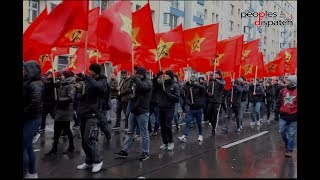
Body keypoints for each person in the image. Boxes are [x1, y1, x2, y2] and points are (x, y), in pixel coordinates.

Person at [114, 67, 152, 160]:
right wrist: (131, 85)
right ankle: (125, 150)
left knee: (144, 133)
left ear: (141, 74)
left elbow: (144, 87)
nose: (136, 75)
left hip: (142, 111)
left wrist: (135, 79)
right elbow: (130, 91)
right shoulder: (135, 82)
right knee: (130, 131)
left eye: (137, 74)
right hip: (133, 110)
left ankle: (145, 152)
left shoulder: (148, 82)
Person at [77, 63, 107, 173]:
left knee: (90, 139)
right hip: (84, 113)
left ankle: (98, 161)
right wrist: (80, 95)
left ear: (96, 71)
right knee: (84, 141)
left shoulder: (102, 82)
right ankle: (89, 161)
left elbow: (98, 87)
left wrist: (88, 78)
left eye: (91, 71)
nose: (89, 72)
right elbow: (88, 94)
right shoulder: (89, 81)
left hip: (94, 114)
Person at [45, 70, 76, 156]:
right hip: (59, 110)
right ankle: (54, 148)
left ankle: (71, 146)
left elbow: (71, 98)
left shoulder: (70, 85)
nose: (61, 76)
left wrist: (59, 100)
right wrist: (53, 84)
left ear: (66, 76)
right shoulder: (62, 84)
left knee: (66, 129)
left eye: (63, 75)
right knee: (56, 130)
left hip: (66, 110)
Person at [23, 61, 43, 178]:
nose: (23, 71)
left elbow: (35, 104)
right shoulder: (28, 82)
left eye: (25, 69)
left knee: (23, 147)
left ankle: (25, 173)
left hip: (32, 119)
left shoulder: (35, 84)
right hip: (28, 118)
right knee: (28, 146)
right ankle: (31, 173)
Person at [156, 70, 180, 151]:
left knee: (167, 126)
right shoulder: (162, 84)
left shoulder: (175, 85)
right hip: (161, 107)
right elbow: (154, 85)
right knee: (162, 126)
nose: (164, 76)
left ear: (170, 76)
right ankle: (165, 142)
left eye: (166, 75)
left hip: (170, 108)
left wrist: (169, 95)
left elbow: (177, 98)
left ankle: (171, 142)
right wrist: (157, 76)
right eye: (164, 75)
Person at [178, 75, 205, 142]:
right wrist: (190, 103)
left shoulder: (200, 88)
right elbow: (186, 98)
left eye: (193, 80)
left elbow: (202, 88)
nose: (191, 82)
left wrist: (194, 84)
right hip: (192, 109)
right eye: (191, 80)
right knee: (188, 122)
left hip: (199, 109)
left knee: (199, 123)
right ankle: (184, 136)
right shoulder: (190, 89)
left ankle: (200, 135)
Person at [275, 75, 297, 157]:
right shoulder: (282, 91)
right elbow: (278, 102)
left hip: (294, 117)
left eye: (288, 80)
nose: (285, 81)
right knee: (282, 131)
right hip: (284, 116)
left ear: (292, 82)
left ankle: (290, 149)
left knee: (292, 134)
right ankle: (288, 144)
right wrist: (276, 114)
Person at [206, 70, 226, 137]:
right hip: (210, 101)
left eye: (215, 74)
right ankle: (213, 124)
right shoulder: (211, 81)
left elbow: (223, 84)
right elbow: (207, 90)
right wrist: (208, 93)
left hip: (217, 101)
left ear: (218, 75)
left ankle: (214, 129)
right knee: (208, 114)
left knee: (215, 116)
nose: (214, 75)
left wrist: (216, 80)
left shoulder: (222, 81)